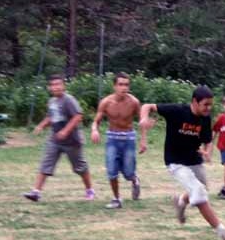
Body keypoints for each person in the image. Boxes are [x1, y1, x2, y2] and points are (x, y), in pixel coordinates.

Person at [138, 86, 225, 240]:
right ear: (194, 102)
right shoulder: (177, 111)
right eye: (205, 104)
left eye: (210, 105)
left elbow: (207, 140)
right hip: (175, 161)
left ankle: (180, 202)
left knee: (200, 188)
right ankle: (223, 232)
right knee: (199, 192)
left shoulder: (205, 118)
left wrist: (206, 152)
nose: (208, 108)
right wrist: (144, 119)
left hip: (194, 159)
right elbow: (147, 106)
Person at [24, 74, 95, 202]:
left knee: (80, 167)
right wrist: (41, 125)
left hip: (72, 140)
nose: (56, 87)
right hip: (55, 139)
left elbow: (78, 116)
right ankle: (36, 192)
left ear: (63, 86)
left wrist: (65, 131)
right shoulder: (52, 101)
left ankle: (89, 190)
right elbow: (51, 117)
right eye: (53, 85)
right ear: (49, 87)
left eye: (58, 84)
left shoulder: (69, 100)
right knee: (46, 164)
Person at [91, 72, 142, 209]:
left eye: (126, 85)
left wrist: (143, 140)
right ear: (114, 86)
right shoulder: (106, 102)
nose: (124, 88)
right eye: (120, 84)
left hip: (128, 139)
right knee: (112, 171)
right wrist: (94, 129)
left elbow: (143, 121)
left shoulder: (134, 102)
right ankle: (116, 199)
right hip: (112, 139)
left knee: (128, 172)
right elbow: (96, 121)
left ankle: (135, 180)